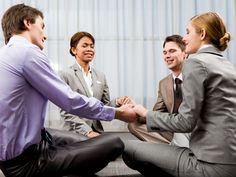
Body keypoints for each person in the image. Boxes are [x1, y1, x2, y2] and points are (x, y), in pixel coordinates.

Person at [0, 4, 136, 177]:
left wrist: (115, 104)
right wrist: (117, 114)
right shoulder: (28, 53)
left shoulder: (5, 54)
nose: (45, 35)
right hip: (27, 161)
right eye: (42, 27)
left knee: (87, 142)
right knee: (115, 143)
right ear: (27, 23)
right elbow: (69, 101)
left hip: (29, 143)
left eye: (92, 46)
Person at [123, 12, 236, 177]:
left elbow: (185, 122)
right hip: (230, 159)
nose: (185, 38)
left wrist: (145, 113)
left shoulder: (196, 62)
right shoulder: (229, 66)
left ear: (202, 34)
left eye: (188, 32)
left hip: (211, 166)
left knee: (127, 149)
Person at [59, 31, 130, 138]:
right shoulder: (65, 74)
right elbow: (65, 111)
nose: (89, 49)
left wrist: (117, 102)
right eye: (85, 46)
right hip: (73, 134)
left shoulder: (101, 76)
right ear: (74, 50)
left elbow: (104, 107)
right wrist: (88, 132)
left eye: (92, 46)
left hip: (96, 132)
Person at [128, 35, 190, 147]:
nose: (167, 56)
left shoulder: (196, 77)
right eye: (165, 52)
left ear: (185, 53)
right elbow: (157, 113)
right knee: (134, 124)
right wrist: (135, 110)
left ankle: (176, 149)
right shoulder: (164, 83)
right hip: (172, 128)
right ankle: (174, 149)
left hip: (193, 129)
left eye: (172, 51)